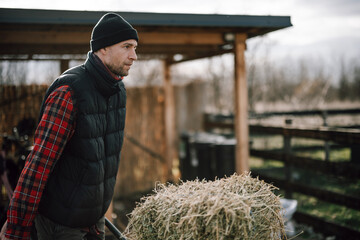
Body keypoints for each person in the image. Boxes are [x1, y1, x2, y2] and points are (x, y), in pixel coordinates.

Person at [0, 12, 138, 240]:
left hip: (94, 221)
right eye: (126, 46)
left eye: (135, 47)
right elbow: (38, 165)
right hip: (61, 225)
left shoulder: (117, 91)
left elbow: (101, 164)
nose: (134, 56)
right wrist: (16, 228)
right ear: (103, 48)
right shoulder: (69, 92)